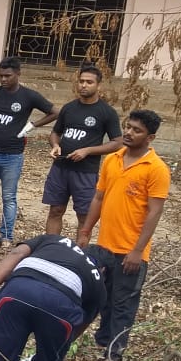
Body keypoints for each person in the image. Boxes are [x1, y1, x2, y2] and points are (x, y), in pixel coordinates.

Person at [77, 110, 170, 361]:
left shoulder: (156, 169)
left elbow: (154, 212)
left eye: (136, 130)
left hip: (131, 251)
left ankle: (115, 353)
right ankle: (102, 342)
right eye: (127, 127)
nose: (128, 133)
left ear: (150, 137)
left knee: (123, 304)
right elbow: (99, 197)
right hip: (103, 246)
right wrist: (85, 231)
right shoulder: (113, 159)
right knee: (101, 298)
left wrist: (138, 250)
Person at [0, 57, 57, 247]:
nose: (3, 79)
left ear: (18, 74)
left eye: (8, 76)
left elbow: (54, 112)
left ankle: (6, 236)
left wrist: (32, 126)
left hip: (12, 156)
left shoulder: (29, 96)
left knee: (9, 198)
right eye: (1, 75)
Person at [42, 65, 123, 235]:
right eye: (81, 81)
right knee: (55, 210)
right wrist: (55, 145)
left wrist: (87, 151)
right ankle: (50, 251)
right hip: (60, 169)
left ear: (98, 86)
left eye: (89, 82)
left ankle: (80, 256)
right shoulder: (69, 108)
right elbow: (55, 132)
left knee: (84, 217)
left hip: (86, 173)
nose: (83, 85)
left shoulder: (107, 112)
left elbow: (117, 142)